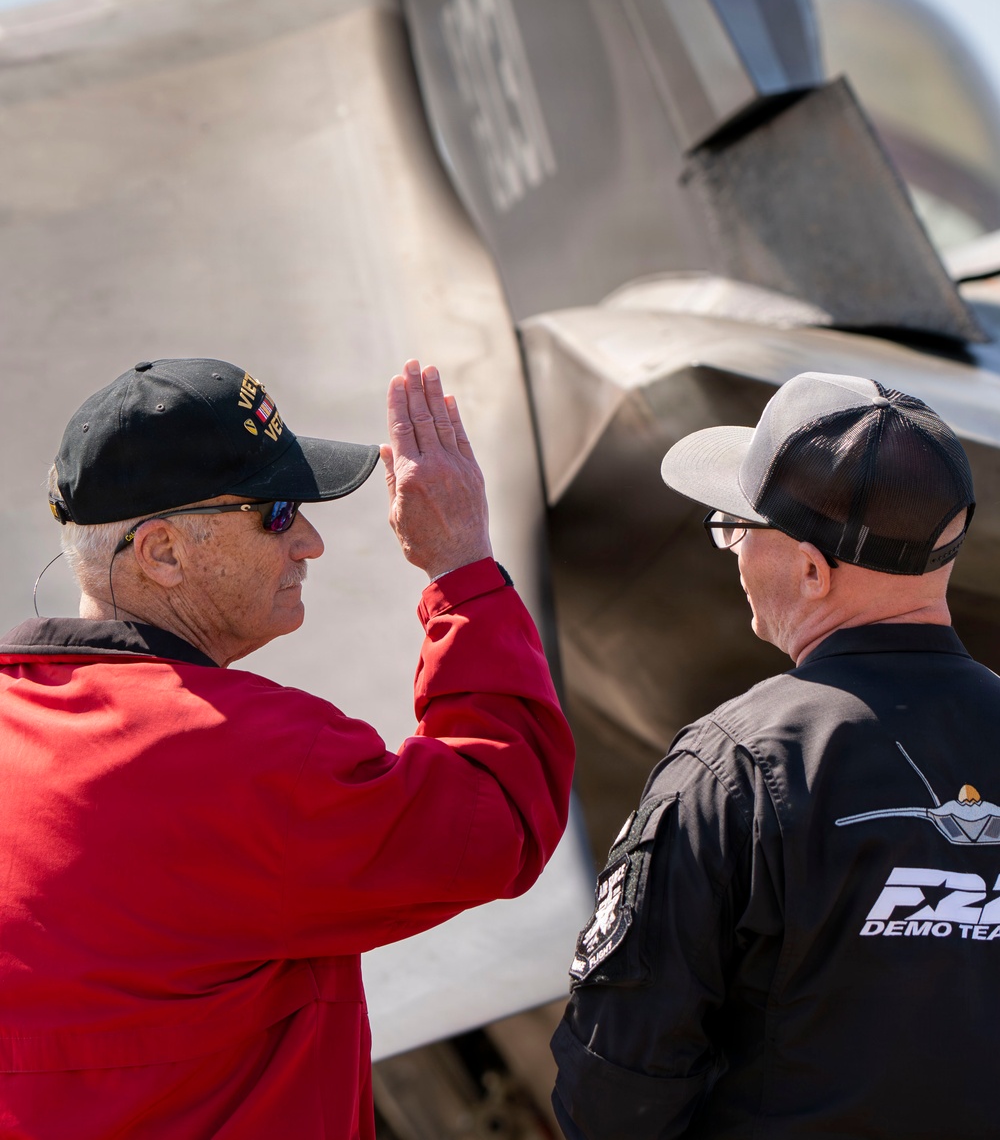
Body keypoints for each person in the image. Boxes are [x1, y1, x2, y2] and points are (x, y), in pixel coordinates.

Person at [0, 356, 574, 1140]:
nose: (308, 542)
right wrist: (461, 568)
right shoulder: (247, 758)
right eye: (275, 513)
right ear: (162, 553)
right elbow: (504, 812)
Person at [552, 371, 1000, 1139]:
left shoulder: (731, 772)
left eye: (734, 526)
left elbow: (617, 1093)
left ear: (812, 570)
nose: (731, 554)